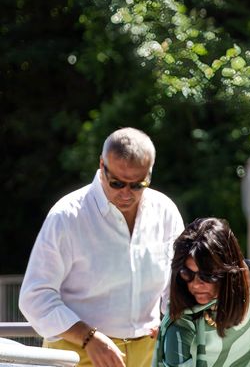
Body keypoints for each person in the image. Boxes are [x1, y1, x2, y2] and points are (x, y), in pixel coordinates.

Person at [19, 127, 184, 367]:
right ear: (101, 165)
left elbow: (178, 283)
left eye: (138, 184)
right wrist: (89, 337)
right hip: (76, 351)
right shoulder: (67, 216)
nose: (126, 193)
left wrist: (172, 321)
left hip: (149, 352)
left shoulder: (165, 211)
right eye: (117, 183)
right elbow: (34, 297)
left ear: (150, 172)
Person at [153, 217, 250, 367]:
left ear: (228, 270)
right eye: (187, 273)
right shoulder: (180, 319)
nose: (196, 285)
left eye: (207, 275)